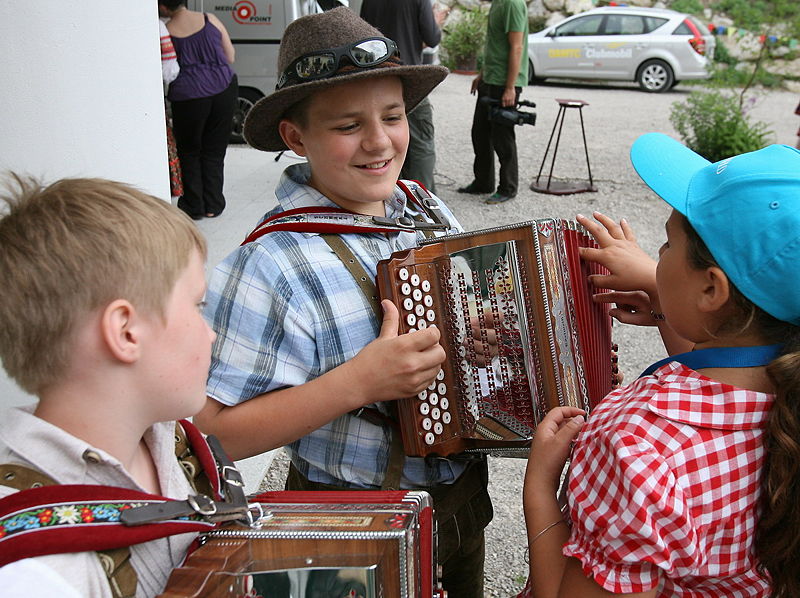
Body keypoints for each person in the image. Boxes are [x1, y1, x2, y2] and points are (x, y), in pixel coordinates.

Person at [194, 8, 493, 597]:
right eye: (348, 125)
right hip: (345, 528)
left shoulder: (427, 210)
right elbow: (210, 436)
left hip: (461, 506)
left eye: (393, 116)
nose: (379, 141)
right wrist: (358, 383)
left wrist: (475, 336)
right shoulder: (270, 265)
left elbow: (459, 323)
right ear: (296, 136)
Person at [522, 133, 800, 596]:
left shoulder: (639, 450)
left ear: (712, 290)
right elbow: (715, 377)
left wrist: (540, 489)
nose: (656, 258)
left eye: (667, 245)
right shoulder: (780, 393)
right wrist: (662, 298)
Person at [0, 176, 216, 596]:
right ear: (127, 332)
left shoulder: (170, 442)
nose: (210, 334)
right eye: (197, 305)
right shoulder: (32, 573)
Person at [159, 0, 237, 220]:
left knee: (190, 150)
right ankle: (214, 203)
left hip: (188, 94)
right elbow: (230, 57)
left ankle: (194, 205)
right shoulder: (209, 19)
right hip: (223, 87)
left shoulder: (165, 30)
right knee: (214, 149)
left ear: (163, 7)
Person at [360, 0, 448, 192]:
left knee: (386, 146)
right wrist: (436, 20)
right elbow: (432, 38)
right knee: (421, 146)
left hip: (376, 84)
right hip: (409, 82)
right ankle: (421, 205)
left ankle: (390, 198)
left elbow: (362, 39)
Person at [458, 0, 528, 205]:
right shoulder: (498, 3)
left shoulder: (512, 4)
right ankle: (483, 182)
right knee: (479, 134)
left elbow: (516, 47)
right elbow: (495, 45)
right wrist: (482, 75)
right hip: (490, 79)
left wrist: (510, 87)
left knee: (503, 139)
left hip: (503, 84)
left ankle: (508, 188)